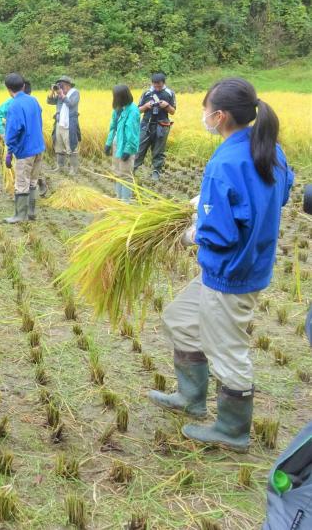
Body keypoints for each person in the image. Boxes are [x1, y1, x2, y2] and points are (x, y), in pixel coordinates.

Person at [148, 78, 293, 453]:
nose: (203, 115)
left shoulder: (226, 161)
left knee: (228, 349)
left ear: (220, 115)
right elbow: (283, 191)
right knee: (180, 319)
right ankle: (190, 398)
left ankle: (232, 428)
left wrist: (193, 234)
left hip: (231, 272)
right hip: (238, 266)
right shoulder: (268, 148)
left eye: (205, 108)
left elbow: (221, 234)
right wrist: (210, 202)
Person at [2, 73, 45, 223]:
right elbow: (39, 121)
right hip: (38, 147)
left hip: (25, 151)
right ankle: (31, 212)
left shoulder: (14, 105)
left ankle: (20, 216)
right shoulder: (33, 100)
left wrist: (10, 152)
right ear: (24, 86)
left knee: (22, 183)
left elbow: (13, 131)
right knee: (33, 181)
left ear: (8, 89)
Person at [134, 72, 176, 180]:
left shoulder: (169, 93)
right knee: (140, 148)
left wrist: (166, 106)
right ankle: (133, 169)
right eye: (155, 85)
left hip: (162, 125)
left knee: (159, 150)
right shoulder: (147, 93)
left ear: (163, 83)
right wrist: (146, 106)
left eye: (159, 86)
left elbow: (172, 112)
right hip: (146, 124)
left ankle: (156, 171)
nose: (157, 88)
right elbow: (138, 110)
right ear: (152, 83)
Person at [104, 84, 141, 202]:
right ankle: (118, 198)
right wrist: (108, 143)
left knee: (126, 175)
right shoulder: (118, 109)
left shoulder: (133, 111)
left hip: (126, 146)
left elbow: (133, 134)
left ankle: (125, 201)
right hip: (117, 143)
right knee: (117, 172)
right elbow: (112, 127)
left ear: (122, 96)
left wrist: (128, 150)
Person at [46, 76, 81, 174]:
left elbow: (71, 104)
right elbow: (49, 102)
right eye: (59, 85)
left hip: (69, 124)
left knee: (71, 145)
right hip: (59, 123)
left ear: (68, 85)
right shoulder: (59, 94)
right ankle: (60, 167)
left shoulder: (74, 93)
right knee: (59, 145)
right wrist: (52, 91)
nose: (61, 87)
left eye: (62, 85)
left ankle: (74, 169)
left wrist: (62, 95)